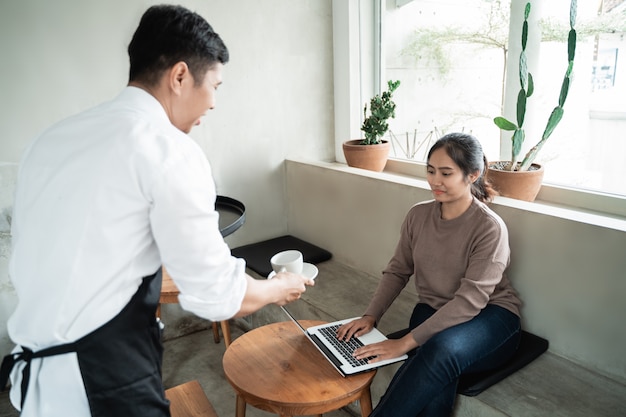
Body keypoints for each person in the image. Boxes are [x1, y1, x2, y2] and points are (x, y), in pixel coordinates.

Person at [0, 5, 313, 417]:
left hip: (35, 382)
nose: (215, 103)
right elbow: (217, 296)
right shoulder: (168, 150)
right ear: (180, 76)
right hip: (103, 384)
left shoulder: (50, 141)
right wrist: (279, 288)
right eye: (215, 85)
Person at [337, 132, 522, 417]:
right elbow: (398, 270)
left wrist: (404, 342)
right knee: (435, 367)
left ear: (472, 175)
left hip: (491, 317)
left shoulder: (489, 228)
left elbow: (468, 302)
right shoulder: (418, 215)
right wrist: (370, 316)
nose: (435, 181)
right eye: (431, 170)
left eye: (446, 173)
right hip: (433, 310)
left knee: (438, 350)